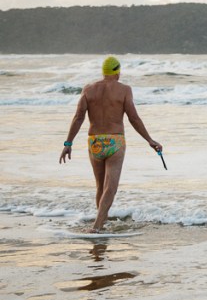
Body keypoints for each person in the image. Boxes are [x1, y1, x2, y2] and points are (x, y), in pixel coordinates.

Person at [58, 56, 162, 233]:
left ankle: (102, 221)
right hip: (115, 141)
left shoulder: (89, 89)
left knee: (100, 186)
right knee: (110, 188)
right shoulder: (124, 90)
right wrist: (150, 140)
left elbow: (78, 117)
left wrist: (68, 143)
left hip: (95, 142)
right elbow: (133, 118)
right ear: (117, 71)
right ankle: (97, 226)